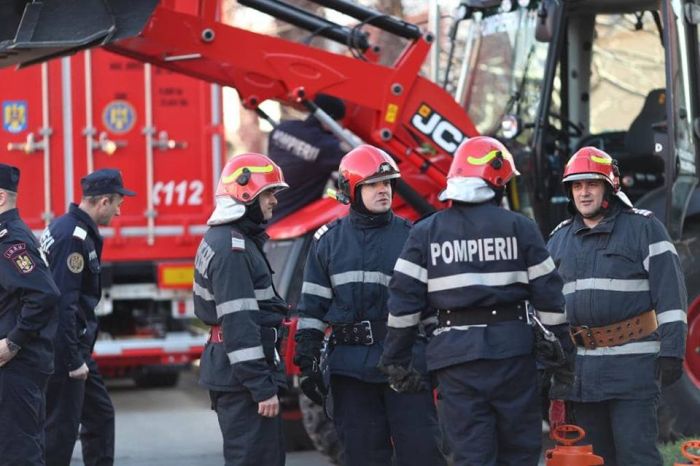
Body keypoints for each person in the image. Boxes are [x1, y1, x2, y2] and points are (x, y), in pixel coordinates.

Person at [379, 136, 567, 466]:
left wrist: (396, 358)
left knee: (471, 455)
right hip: (514, 356)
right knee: (519, 454)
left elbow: (403, 303)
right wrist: (564, 357)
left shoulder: (425, 232)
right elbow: (550, 300)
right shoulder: (521, 228)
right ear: (497, 182)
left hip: (456, 361)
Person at [294, 145, 446, 466]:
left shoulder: (413, 238)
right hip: (350, 373)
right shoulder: (328, 242)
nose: (383, 190)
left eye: (387, 183)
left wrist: (440, 361)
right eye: (374, 184)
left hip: (406, 367)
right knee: (362, 457)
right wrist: (306, 361)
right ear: (351, 190)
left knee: (422, 455)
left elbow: (433, 308)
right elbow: (311, 309)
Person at [546, 146, 687, 466]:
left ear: (609, 187)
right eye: (577, 186)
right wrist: (548, 366)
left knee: (636, 457)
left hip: (632, 372)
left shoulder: (645, 229)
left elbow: (671, 297)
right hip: (581, 377)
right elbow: (546, 308)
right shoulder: (558, 240)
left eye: (591, 184)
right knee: (593, 459)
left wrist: (672, 351)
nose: (584, 193)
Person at [193, 153, 290, 465]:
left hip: (235, 374)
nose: (274, 200)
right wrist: (261, 387)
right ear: (247, 194)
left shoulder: (228, 240)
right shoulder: (232, 249)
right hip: (243, 380)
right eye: (269, 192)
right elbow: (239, 324)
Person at [42, 168, 135, 466]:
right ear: (104, 202)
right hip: (63, 349)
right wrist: (72, 360)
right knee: (60, 430)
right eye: (118, 204)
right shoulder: (73, 237)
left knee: (100, 415)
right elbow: (63, 305)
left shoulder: (70, 228)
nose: (119, 212)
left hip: (73, 346)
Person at [0, 163, 60, 466]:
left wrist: (13, 342)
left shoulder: (11, 240)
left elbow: (43, 293)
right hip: (16, 367)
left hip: (17, 367)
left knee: (18, 453)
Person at [267, 93, 348, 223]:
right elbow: (356, 162)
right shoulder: (327, 146)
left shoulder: (282, 128)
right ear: (329, 120)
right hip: (290, 219)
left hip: (267, 210)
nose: (342, 127)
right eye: (339, 121)